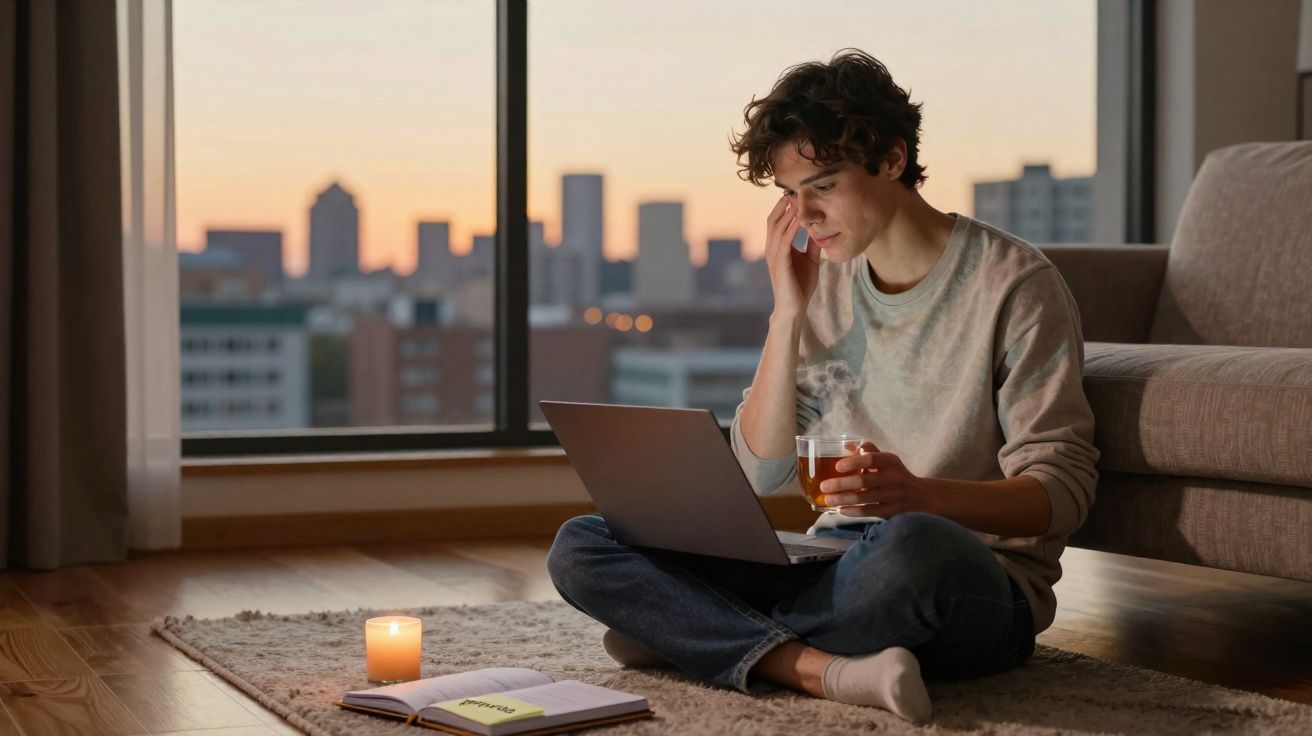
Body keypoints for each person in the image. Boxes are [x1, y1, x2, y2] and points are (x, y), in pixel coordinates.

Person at [546, 48, 1099, 724]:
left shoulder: (1015, 284)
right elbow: (762, 471)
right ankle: (813, 667)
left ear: (892, 160)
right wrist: (787, 314)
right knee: (583, 544)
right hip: (832, 561)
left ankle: (695, 633)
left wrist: (919, 495)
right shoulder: (824, 286)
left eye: (824, 185)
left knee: (911, 546)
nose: (803, 214)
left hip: (960, 579)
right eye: (787, 195)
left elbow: (1063, 496)